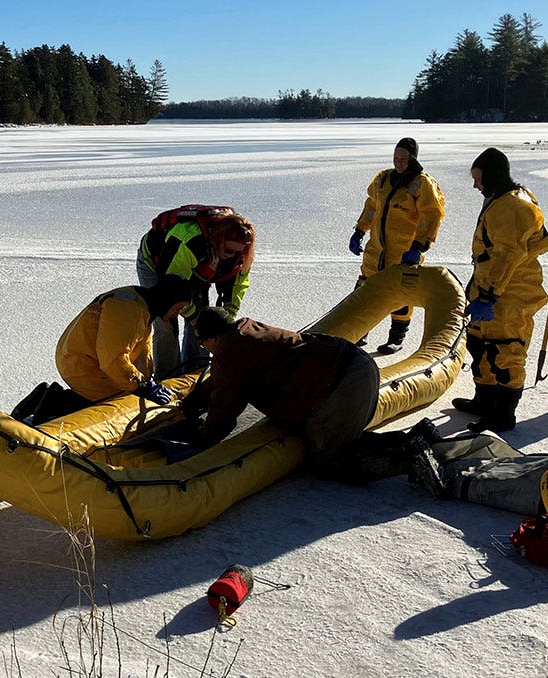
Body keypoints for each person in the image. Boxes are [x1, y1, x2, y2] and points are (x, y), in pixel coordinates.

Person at [179, 308, 442, 494]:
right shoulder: (244, 333)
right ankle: (414, 439)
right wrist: (194, 401)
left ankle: (409, 461)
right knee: (341, 439)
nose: (205, 349)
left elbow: (226, 404)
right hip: (356, 364)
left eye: (203, 343)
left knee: (328, 459)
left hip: (338, 384)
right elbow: (221, 381)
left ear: (212, 337)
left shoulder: (229, 351)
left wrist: (204, 439)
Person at [451, 148, 548, 432]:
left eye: (478, 178)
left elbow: (506, 256)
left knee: (506, 349)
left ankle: (504, 413)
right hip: (489, 286)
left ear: (492, 176)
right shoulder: (501, 200)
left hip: (511, 292)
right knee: (479, 344)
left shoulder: (513, 207)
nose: (475, 185)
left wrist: (489, 295)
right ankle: (484, 400)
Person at [348, 137, 446, 354]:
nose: (399, 162)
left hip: (404, 250)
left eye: (404, 158)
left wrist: (419, 246)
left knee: (401, 293)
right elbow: (372, 206)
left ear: (413, 158)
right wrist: (360, 230)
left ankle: (397, 337)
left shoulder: (421, 184)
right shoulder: (383, 179)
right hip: (377, 249)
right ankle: (360, 330)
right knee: (364, 289)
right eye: (396, 157)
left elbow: (432, 215)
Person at [136, 206, 256, 377]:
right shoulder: (190, 240)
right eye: (229, 251)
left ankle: (195, 373)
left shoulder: (242, 255)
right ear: (218, 240)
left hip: (201, 271)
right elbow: (171, 289)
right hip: (158, 267)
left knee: (205, 323)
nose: (234, 256)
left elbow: (239, 285)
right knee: (165, 322)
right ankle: (167, 376)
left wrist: (225, 319)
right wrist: (193, 317)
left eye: (240, 251)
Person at [54, 276, 193, 405]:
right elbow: (113, 360)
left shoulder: (144, 308)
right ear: (168, 300)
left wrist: (146, 380)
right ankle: (55, 403)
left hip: (90, 361)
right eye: (178, 308)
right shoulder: (129, 310)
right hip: (81, 365)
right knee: (116, 398)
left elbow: (141, 351)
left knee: (127, 388)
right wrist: (140, 385)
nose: (178, 313)